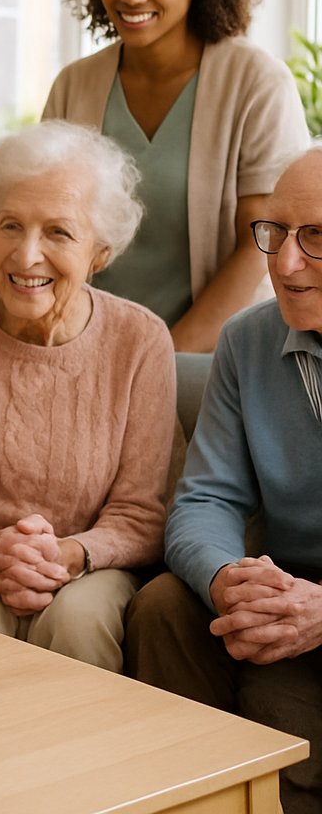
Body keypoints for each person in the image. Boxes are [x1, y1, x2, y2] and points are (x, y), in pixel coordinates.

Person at [0, 0, 310, 352]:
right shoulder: (75, 84)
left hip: (208, 356)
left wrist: (170, 355)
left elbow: (260, 243)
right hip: (79, 348)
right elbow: (33, 220)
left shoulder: (255, 82)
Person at [0, 121, 175, 672]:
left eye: (59, 233)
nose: (25, 256)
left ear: (100, 253)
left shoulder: (140, 341)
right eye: (11, 226)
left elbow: (140, 515)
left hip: (87, 567)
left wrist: (66, 555)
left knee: (79, 622)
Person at [125, 148, 322, 814]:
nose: (284, 264)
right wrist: (224, 579)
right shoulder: (246, 342)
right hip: (278, 598)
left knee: (282, 707)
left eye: (315, 237)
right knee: (161, 606)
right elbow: (207, 497)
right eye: (274, 232)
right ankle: (184, 797)